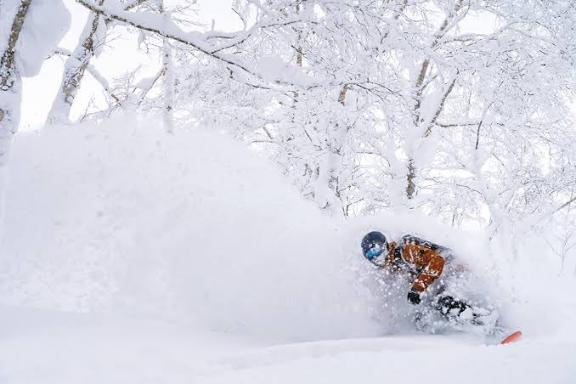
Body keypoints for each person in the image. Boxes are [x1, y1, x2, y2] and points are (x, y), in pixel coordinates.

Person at [361, 231, 494, 327]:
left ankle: (486, 321)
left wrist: (417, 288)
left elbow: (437, 261)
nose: (375, 258)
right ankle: (462, 332)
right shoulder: (393, 265)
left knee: (442, 302)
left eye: (376, 251)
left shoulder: (405, 251)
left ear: (384, 246)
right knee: (422, 316)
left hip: (453, 269)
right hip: (441, 276)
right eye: (370, 255)